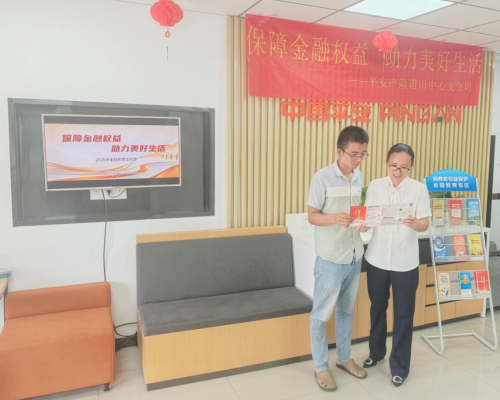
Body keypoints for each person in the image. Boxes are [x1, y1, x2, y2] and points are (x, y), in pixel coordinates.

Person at [362, 143, 431, 387]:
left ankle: (400, 366)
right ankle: (376, 352)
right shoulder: (375, 186)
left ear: (411, 166)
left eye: (404, 167)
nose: (397, 171)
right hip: (377, 258)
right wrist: (363, 223)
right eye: (393, 166)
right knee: (377, 308)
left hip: (405, 261)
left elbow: (425, 222)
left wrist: (416, 224)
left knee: (403, 315)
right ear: (386, 163)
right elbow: (368, 216)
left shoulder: (419, 189)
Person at [307, 126, 370, 392]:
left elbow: (358, 212)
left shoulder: (359, 177)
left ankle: (343, 358)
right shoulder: (322, 177)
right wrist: (334, 218)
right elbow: (312, 216)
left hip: (355, 254)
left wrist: (363, 222)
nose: (358, 160)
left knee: (347, 311)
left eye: (363, 154)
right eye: (353, 154)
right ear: (339, 151)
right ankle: (321, 366)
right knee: (321, 315)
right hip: (331, 257)